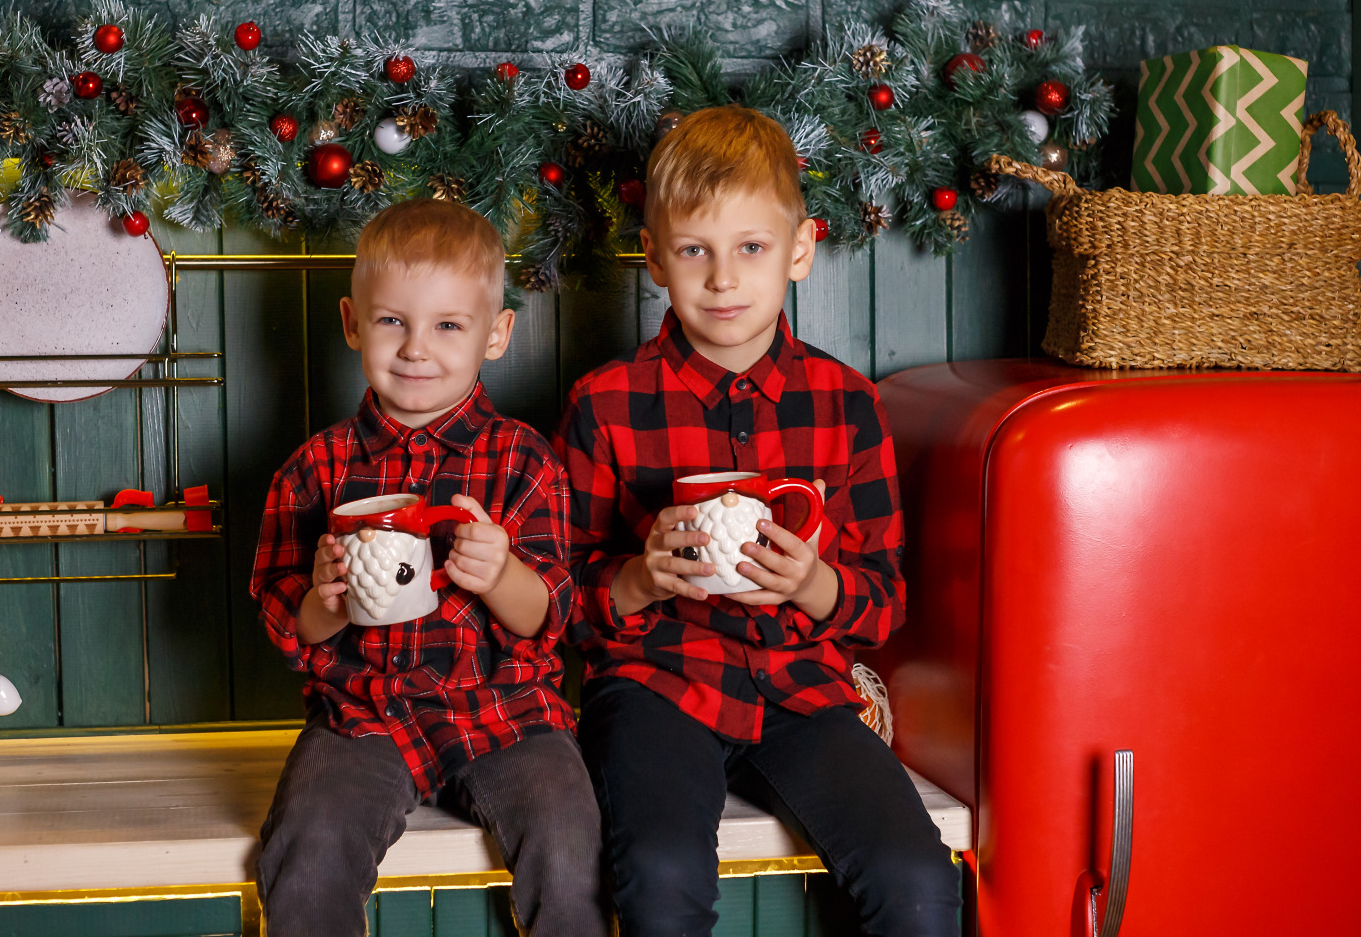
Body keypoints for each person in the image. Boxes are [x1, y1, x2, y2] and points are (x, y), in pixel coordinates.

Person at [555, 105, 960, 936]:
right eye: (694, 250)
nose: (723, 280)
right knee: (660, 875)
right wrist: (636, 577)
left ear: (800, 250)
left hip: (805, 691)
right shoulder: (605, 403)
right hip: (654, 686)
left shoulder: (846, 404)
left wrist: (815, 584)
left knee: (916, 880)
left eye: (751, 248)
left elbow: (883, 601)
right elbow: (556, 601)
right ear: (655, 258)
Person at [250, 199, 604, 937]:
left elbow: (549, 616)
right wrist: (327, 598)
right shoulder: (313, 471)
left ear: (497, 334)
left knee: (571, 846)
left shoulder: (523, 461)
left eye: (448, 325)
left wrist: (500, 572)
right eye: (392, 322)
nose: (416, 348)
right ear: (352, 323)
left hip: (507, 713)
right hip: (364, 716)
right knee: (306, 849)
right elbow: (288, 625)